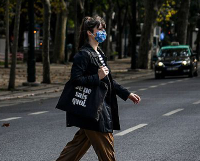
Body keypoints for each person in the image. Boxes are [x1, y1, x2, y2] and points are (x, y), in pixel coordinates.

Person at [56, 16, 141, 161]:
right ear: (90, 32)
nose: (103, 32)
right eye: (100, 29)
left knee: (75, 148)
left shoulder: (99, 53)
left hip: (95, 109)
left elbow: (108, 80)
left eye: (103, 29)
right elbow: (76, 80)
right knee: (107, 151)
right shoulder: (83, 54)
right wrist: (97, 76)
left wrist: (126, 94)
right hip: (94, 109)